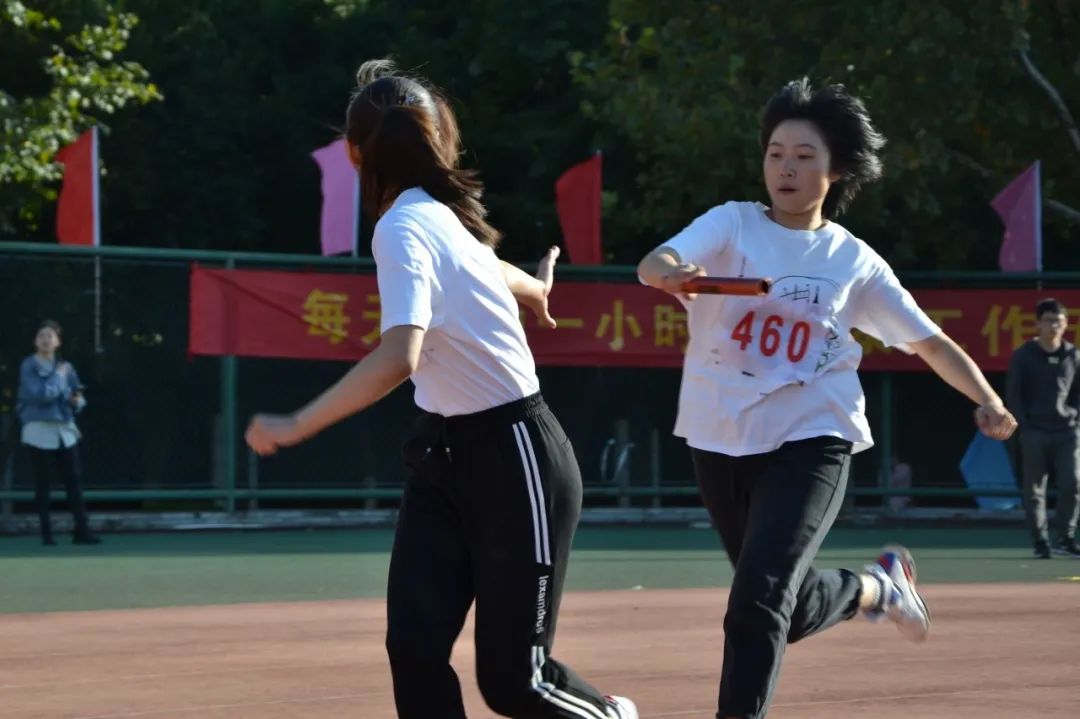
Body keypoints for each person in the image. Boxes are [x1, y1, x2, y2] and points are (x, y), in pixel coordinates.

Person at [245, 60, 637, 719]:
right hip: (444, 460)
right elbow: (488, 267)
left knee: (515, 682)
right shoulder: (433, 219)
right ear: (440, 143)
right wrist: (534, 287)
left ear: (354, 154)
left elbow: (400, 354)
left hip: (517, 456)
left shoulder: (405, 227)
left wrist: (297, 423)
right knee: (414, 646)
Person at [637, 78, 1017, 719]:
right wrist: (670, 273)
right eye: (775, 153)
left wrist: (987, 398)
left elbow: (929, 341)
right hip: (719, 434)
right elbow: (655, 262)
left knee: (757, 600)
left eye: (803, 156)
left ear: (835, 170)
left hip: (813, 435)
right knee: (779, 607)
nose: (785, 167)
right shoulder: (731, 223)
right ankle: (875, 587)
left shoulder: (853, 261)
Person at [1005, 298, 1080, 559]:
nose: (1054, 326)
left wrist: (1075, 420)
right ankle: (1040, 541)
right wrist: (1024, 427)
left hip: (1067, 431)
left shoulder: (1073, 355)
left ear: (1066, 323)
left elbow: (1077, 393)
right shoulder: (1024, 355)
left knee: (1073, 483)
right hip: (1034, 431)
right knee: (1035, 489)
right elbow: (1014, 394)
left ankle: (1066, 537)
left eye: (1058, 321)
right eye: (1048, 321)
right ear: (1037, 324)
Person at [16, 320, 102, 546]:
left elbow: (78, 395)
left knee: (73, 479)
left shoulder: (66, 367)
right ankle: (47, 534)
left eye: (50, 336)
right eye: (41, 336)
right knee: (42, 482)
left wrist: (76, 401)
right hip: (38, 429)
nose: (45, 340)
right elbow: (40, 395)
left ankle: (82, 530)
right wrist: (58, 378)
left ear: (58, 342)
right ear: (35, 341)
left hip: (64, 429)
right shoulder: (28, 366)